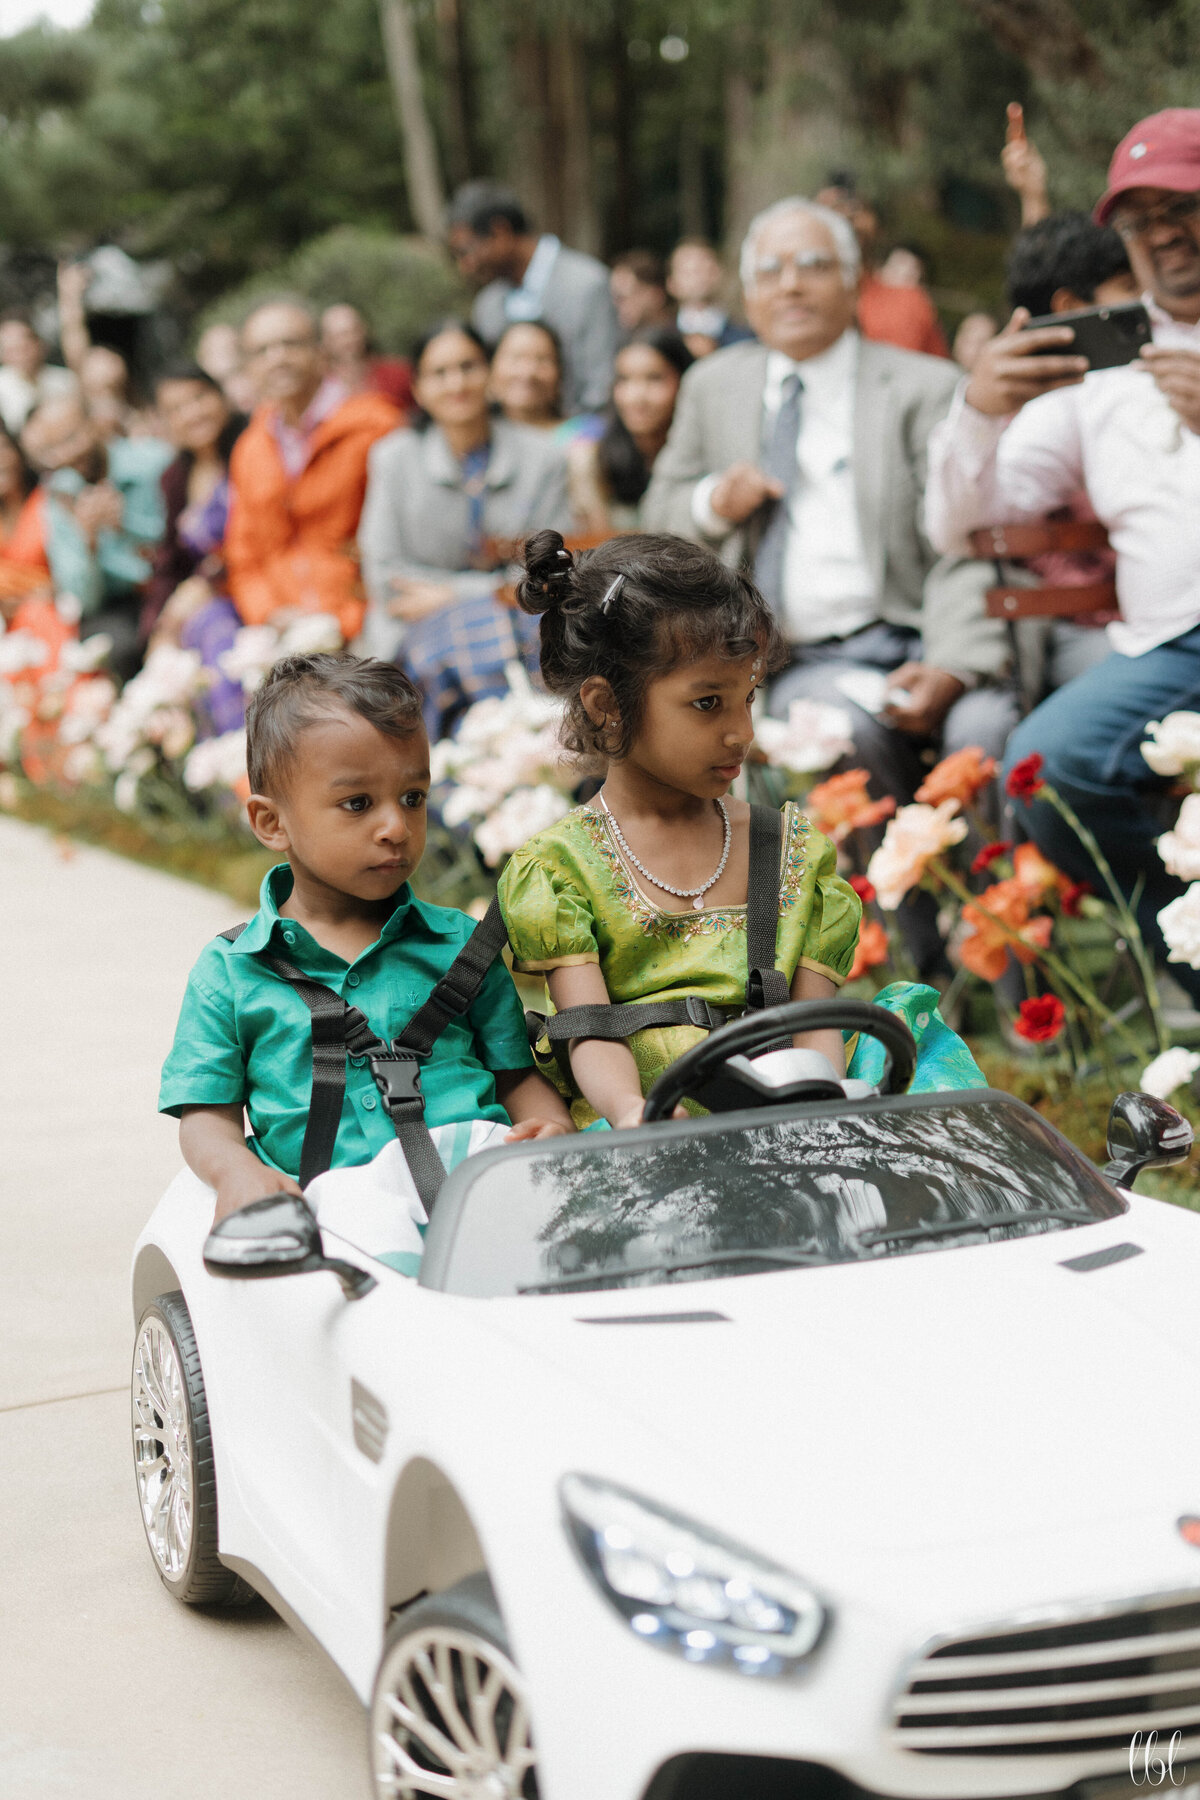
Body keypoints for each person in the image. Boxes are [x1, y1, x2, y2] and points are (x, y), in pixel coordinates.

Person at [497, 530, 983, 1130]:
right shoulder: (560, 870)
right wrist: (631, 1111)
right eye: (707, 703)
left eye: (748, 698)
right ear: (606, 705)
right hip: (643, 1129)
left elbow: (814, 1023)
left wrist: (814, 1102)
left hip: (787, 1115)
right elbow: (588, 1031)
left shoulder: (788, 852)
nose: (741, 733)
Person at [643, 195, 1014, 978]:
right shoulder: (716, 385)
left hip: (925, 637)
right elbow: (660, 511)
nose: (791, 285)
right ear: (747, 295)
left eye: (813, 265)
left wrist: (952, 666)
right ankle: (918, 966)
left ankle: (1016, 970)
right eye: (770, 270)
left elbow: (965, 542)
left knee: (986, 732)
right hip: (799, 658)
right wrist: (717, 499)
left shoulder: (921, 385)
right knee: (851, 728)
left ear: (855, 284)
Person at [159, 653, 573, 1249]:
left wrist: (550, 1125)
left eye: (413, 797)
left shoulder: (459, 945)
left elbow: (514, 1078)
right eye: (358, 804)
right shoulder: (231, 971)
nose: (396, 827)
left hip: (477, 1182)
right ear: (271, 823)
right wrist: (237, 1173)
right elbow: (206, 1117)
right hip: (335, 1208)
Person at [925, 107, 1200, 1000]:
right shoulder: (1108, 356)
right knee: (1043, 773)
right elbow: (964, 524)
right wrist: (978, 408)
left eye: (1183, 206)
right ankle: (1191, 960)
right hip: (1168, 648)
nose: (1164, 233)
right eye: (1141, 216)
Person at [357, 318, 572, 737]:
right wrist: (491, 594)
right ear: (418, 389)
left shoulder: (542, 458)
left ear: (489, 374)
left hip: (525, 621)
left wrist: (457, 595)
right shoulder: (393, 459)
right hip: (414, 629)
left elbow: (554, 575)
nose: (456, 383)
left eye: (468, 367)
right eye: (439, 373)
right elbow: (384, 575)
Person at [223, 297, 401, 644]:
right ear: (249, 367)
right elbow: (244, 557)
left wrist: (347, 618)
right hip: (284, 628)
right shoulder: (250, 449)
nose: (277, 358)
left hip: (367, 621)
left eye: (290, 343)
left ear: (320, 350)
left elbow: (398, 545)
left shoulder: (375, 426)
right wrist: (270, 614)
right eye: (262, 351)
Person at [20, 393, 172, 675]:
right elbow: (85, 600)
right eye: (52, 449)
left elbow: (180, 543)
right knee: (111, 647)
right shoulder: (58, 499)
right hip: (118, 606)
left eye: (72, 438)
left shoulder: (152, 461)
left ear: (94, 425)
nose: (66, 454)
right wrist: (86, 540)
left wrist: (125, 523)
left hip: (169, 582)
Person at [446, 181, 620, 414]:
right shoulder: (488, 303)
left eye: (466, 251)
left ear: (500, 232)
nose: (465, 266)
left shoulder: (585, 285)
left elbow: (601, 388)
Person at [140, 364, 248, 734]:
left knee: (212, 627)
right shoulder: (175, 477)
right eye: (177, 409)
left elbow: (253, 533)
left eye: (199, 397)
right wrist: (160, 627)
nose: (193, 413)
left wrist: (205, 584)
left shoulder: (251, 449)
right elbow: (170, 563)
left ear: (220, 396)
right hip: (197, 598)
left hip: (246, 581)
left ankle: (241, 748)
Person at [567, 328, 693, 534]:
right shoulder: (592, 463)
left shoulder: (699, 457)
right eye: (624, 380)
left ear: (684, 382)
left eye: (654, 379)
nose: (636, 396)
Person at [815, 178, 949, 358]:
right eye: (830, 213)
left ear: (877, 226)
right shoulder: (788, 307)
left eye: (855, 208)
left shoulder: (908, 302)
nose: (845, 217)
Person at [319, 303, 414, 416]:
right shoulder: (318, 385)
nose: (347, 340)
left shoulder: (398, 374)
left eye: (352, 331)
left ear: (363, 330)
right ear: (325, 341)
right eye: (338, 336)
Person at [666, 238, 754, 358]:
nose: (700, 277)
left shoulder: (747, 338)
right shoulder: (658, 338)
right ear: (671, 283)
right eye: (690, 271)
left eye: (707, 269)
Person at [0, 311, 78, 437]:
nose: (19, 356)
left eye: (24, 347)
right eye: (11, 350)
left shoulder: (66, 380)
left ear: (40, 344)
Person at [488, 320, 565, 430]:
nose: (527, 372)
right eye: (516, 358)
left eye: (542, 359)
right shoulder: (471, 436)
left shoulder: (581, 436)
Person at [610, 250, 676, 336]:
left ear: (655, 294)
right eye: (614, 296)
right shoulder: (624, 335)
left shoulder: (674, 338)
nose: (616, 304)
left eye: (623, 297)